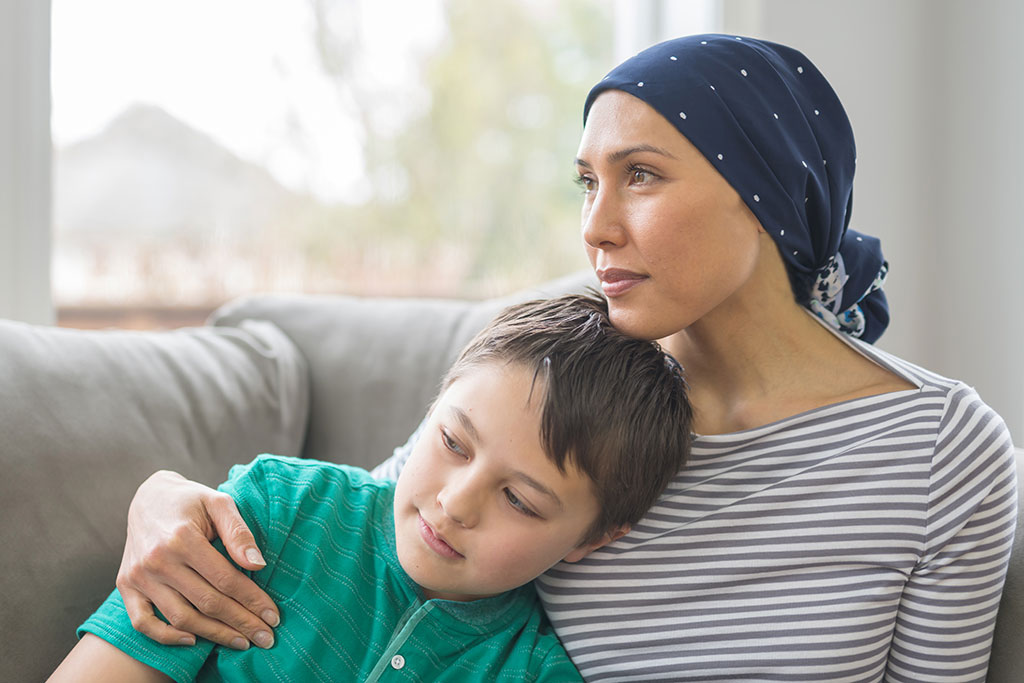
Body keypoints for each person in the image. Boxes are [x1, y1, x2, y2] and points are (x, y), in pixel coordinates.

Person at [111, 34, 1017, 682]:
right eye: (588, 180)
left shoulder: (943, 448)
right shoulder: (583, 363)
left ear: (766, 193)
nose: (596, 226)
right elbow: (387, 522)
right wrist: (168, 501)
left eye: (643, 175)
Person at [50, 294, 692, 681]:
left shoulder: (529, 671)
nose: (455, 503)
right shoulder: (276, 511)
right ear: (434, 404)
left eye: (519, 501)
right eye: (452, 444)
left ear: (593, 539)